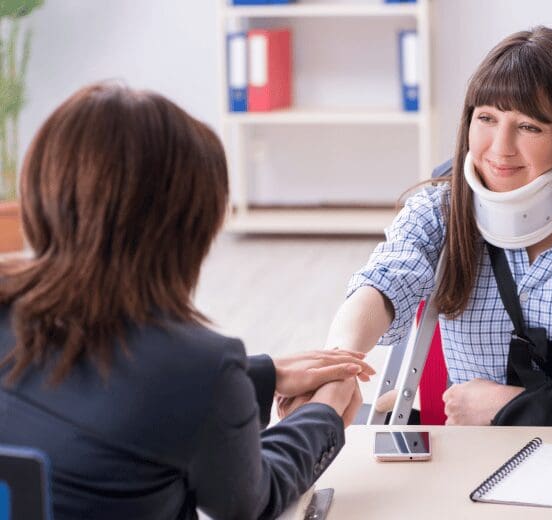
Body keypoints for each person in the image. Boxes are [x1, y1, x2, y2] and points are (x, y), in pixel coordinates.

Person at [0, 83, 374, 520]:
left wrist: (259, 376)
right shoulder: (197, 368)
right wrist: (323, 413)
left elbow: (103, 394)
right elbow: (250, 501)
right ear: (185, 228)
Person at [326, 26, 552, 426]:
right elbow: (382, 285)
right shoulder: (441, 211)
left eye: (529, 126)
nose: (500, 148)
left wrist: (512, 407)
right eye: (487, 118)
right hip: (472, 463)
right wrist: (336, 370)